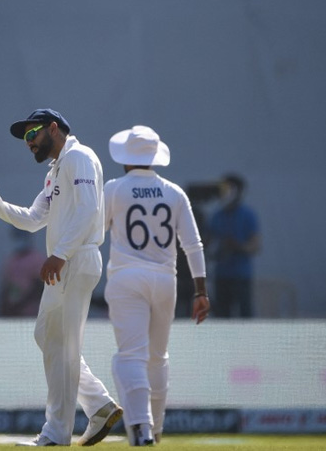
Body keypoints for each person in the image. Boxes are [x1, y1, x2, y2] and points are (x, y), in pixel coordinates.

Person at [0, 109, 122, 446]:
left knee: (63, 346)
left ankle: (56, 434)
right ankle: (99, 404)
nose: (28, 143)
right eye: (25, 138)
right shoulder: (55, 171)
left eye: (32, 135)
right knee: (49, 337)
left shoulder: (79, 157)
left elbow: (87, 210)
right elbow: (31, 219)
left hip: (76, 258)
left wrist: (60, 254)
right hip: (67, 261)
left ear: (53, 129)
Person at [103, 125, 209, 446]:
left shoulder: (114, 188)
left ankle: (141, 428)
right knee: (158, 357)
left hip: (126, 277)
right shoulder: (174, 192)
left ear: (124, 158)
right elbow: (193, 245)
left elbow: (94, 234)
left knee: (129, 358)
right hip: (166, 279)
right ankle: (157, 430)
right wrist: (201, 291)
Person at [208, 174, 261, 318]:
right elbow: (208, 244)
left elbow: (255, 246)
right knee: (222, 316)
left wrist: (237, 246)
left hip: (241, 276)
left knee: (245, 315)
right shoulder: (216, 216)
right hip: (221, 275)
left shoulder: (248, 215)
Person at [0, 229, 45, 317]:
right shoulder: (11, 260)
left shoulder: (37, 259)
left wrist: (21, 304)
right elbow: (6, 287)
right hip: (13, 314)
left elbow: (40, 287)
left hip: (31, 313)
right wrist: (4, 309)